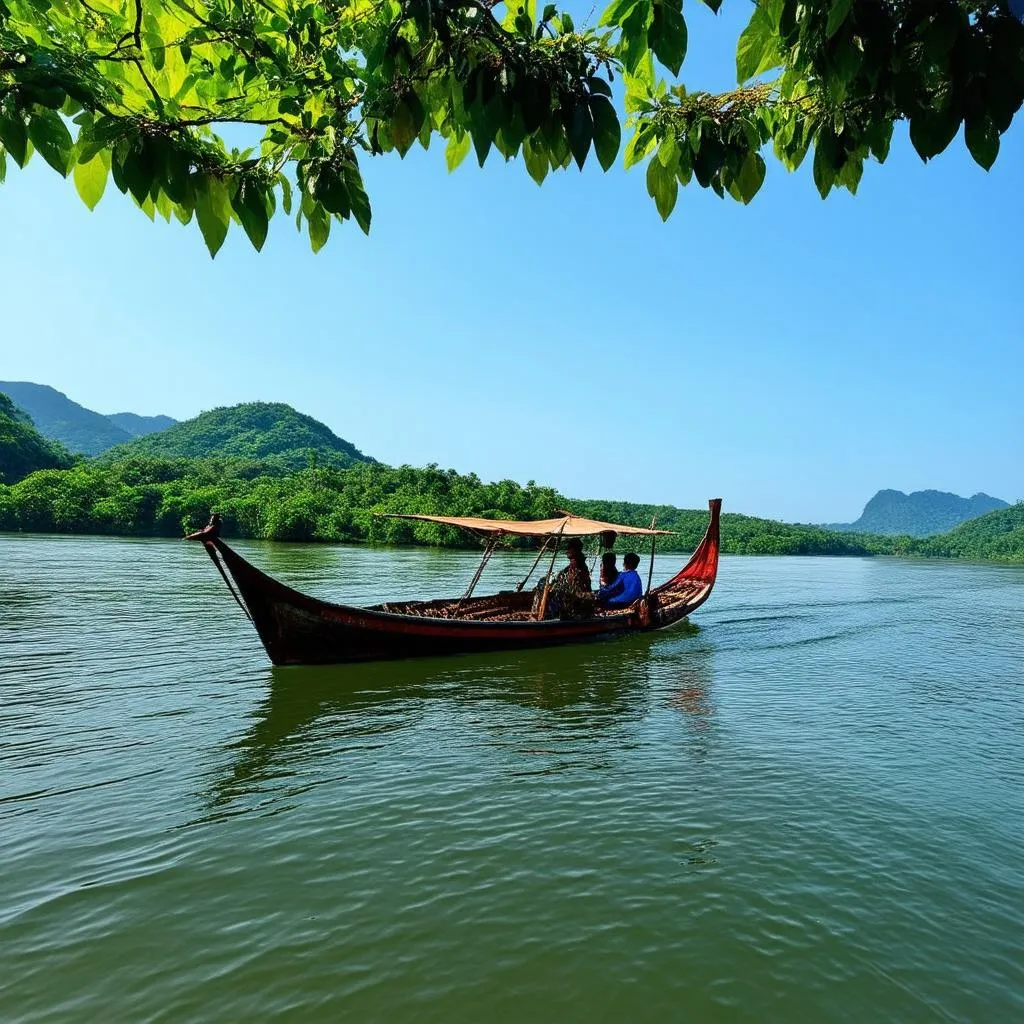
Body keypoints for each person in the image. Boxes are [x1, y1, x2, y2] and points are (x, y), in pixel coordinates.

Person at [543, 538, 593, 618]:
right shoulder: (575, 564)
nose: (567, 551)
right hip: (576, 596)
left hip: (578, 599)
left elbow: (575, 585)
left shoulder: (578, 565)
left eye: (568, 549)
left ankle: (552, 616)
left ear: (573, 550)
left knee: (558, 596)